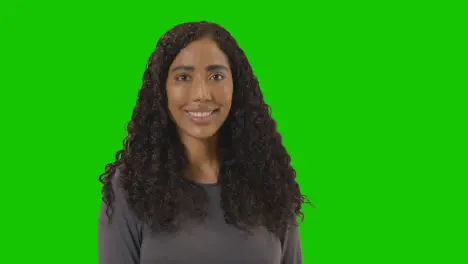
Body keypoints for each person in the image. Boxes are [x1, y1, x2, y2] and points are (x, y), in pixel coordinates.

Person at [97, 21, 310, 264]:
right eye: (183, 77)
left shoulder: (270, 182)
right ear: (162, 89)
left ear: (236, 86)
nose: (202, 93)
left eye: (216, 76)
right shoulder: (130, 188)